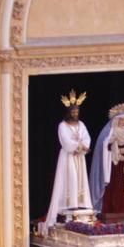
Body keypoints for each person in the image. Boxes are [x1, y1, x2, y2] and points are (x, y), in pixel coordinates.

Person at [42, 89, 91, 232]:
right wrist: (76, 146)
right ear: (69, 112)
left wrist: (83, 145)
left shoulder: (81, 124)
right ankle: (69, 203)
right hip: (68, 156)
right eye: (73, 112)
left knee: (81, 179)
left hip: (80, 156)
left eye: (77, 112)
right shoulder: (62, 125)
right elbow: (65, 140)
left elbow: (86, 137)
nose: (76, 114)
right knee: (71, 178)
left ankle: (81, 203)